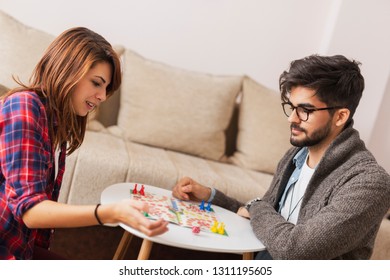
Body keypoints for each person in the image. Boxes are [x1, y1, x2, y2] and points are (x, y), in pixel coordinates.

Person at [173, 54, 390, 259]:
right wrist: (211, 197)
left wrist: (256, 206)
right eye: (291, 107)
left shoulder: (369, 183)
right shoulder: (296, 156)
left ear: (340, 116)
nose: (292, 119)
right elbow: (267, 219)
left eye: (305, 110)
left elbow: (294, 250)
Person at [0, 27, 168, 260]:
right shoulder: (24, 107)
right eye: (97, 83)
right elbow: (31, 210)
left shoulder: (55, 121)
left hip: (19, 247)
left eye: (106, 88)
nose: (102, 96)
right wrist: (107, 214)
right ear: (68, 70)